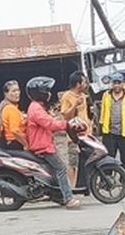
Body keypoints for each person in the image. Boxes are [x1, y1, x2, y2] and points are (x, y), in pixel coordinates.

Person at [26, 76, 83, 209]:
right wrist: (65, 125)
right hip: (43, 146)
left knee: (54, 171)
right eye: (47, 91)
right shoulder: (36, 109)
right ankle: (68, 199)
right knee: (61, 168)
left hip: (44, 143)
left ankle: (58, 195)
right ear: (40, 93)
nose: (49, 94)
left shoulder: (37, 107)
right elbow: (49, 124)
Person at [99, 80, 125, 172]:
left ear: (123, 84)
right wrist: (101, 128)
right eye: (115, 83)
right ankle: (107, 181)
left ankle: (124, 181)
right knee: (108, 158)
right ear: (112, 85)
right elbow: (103, 112)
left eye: (119, 83)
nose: (117, 85)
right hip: (109, 133)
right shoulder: (106, 96)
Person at [0, 80, 28, 151]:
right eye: (13, 91)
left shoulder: (3, 106)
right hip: (15, 144)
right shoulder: (10, 109)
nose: (17, 93)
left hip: (7, 142)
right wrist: (26, 144)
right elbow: (15, 131)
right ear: (6, 93)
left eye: (18, 90)